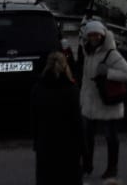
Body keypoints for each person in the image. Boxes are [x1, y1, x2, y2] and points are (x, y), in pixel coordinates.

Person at [79, 20, 127, 179]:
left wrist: (108, 72)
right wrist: (81, 100)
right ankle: (87, 165)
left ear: (102, 35)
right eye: (91, 35)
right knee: (87, 137)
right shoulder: (87, 52)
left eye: (97, 34)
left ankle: (112, 168)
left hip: (108, 102)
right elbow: (86, 80)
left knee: (111, 137)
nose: (94, 37)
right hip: (90, 102)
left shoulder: (111, 53)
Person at [31, 51, 83, 185]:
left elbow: (35, 119)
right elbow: (77, 122)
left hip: (46, 145)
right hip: (68, 146)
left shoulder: (38, 88)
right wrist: (85, 151)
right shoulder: (71, 89)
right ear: (66, 66)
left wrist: (36, 143)